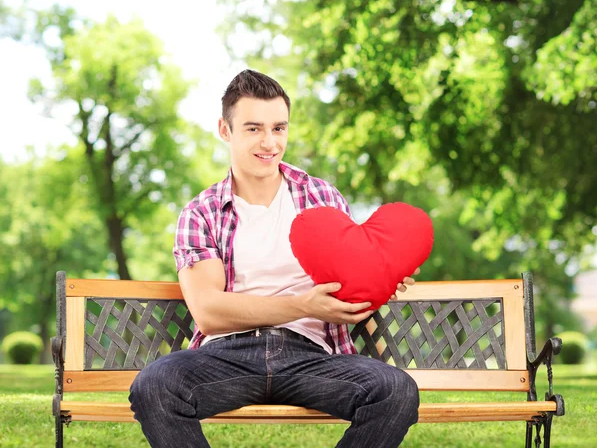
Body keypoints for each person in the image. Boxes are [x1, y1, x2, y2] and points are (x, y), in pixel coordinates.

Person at [129, 70, 420, 447]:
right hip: (227, 356)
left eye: (279, 128)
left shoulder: (323, 198)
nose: (269, 142)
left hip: (313, 357)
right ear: (225, 129)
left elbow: (349, 293)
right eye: (253, 129)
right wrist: (302, 304)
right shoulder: (202, 212)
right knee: (154, 386)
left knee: (396, 391)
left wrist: (382, 279)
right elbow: (209, 312)